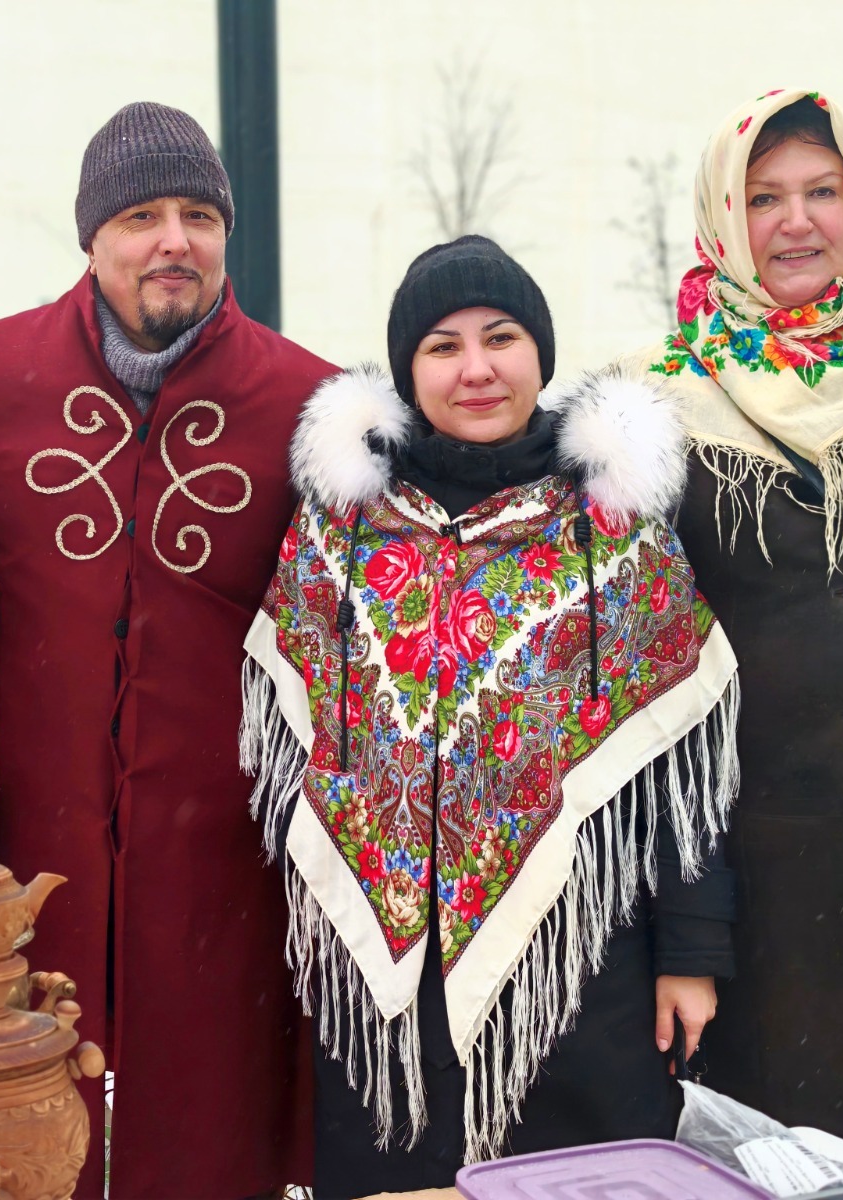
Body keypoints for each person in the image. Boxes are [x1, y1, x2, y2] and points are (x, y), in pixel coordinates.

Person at [241, 236, 741, 1196]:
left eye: (501, 337)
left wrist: (693, 954)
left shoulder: (615, 526)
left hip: (578, 968)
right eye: (443, 346)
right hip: (385, 992)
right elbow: (290, 755)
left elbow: (684, 771)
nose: (476, 369)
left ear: (539, 354)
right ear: (407, 373)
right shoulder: (338, 527)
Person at [0, 102, 335, 1198]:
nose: (173, 241)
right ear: (93, 236)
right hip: (26, 856)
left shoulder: (306, 401)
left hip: (227, 869)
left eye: (199, 215)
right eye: (142, 216)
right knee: (19, 1143)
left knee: (206, 1148)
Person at [628, 88, 843, 1146]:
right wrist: (687, 933)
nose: (796, 222)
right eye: (764, 197)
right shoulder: (663, 409)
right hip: (779, 898)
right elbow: (651, 692)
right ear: (723, 217)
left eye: (823, 190)